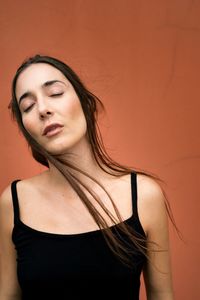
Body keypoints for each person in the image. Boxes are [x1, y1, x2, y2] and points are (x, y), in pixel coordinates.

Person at [0, 54, 175, 300]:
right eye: (27, 106)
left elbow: (162, 295)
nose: (43, 109)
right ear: (26, 130)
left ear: (86, 103)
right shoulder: (13, 202)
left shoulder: (144, 195)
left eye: (56, 93)